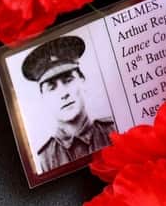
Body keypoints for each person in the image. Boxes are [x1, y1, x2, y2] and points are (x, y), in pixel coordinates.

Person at [21, 35, 116, 173]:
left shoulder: (113, 131)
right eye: (52, 87)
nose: (63, 93)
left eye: (68, 80)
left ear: (82, 80)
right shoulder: (44, 159)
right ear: (43, 97)